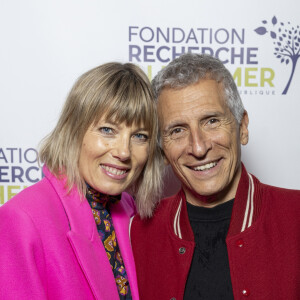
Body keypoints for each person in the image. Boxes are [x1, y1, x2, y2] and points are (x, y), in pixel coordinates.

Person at [130, 53, 300, 300]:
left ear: (242, 127)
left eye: (211, 121)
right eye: (177, 130)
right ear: (162, 150)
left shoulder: (295, 215)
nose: (198, 148)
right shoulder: (138, 233)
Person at [0, 62, 163, 299]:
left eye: (139, 136)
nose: (124, 152)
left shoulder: (130, 209)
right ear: (73, 130)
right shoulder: (21, 219)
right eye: (108, 130)